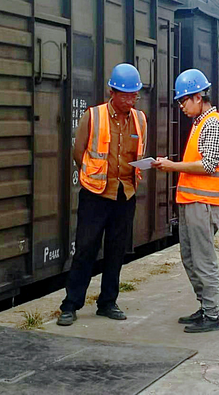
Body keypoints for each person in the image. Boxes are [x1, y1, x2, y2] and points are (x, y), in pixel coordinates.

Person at [57, 63, 147, 327]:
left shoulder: (140, 119)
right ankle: (71, 304)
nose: (130, 100)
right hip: (95, 194)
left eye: (134, 95)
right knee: (85, 249)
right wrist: (94, 175)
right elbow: (79, 153)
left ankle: (107, 302)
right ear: (112, 92)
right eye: (125, 95)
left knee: (117, 251)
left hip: (125, 194)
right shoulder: (93, 116)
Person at [152, 69, 219, 333]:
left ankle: (212, 314)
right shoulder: (200, 123)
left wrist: (172, 166)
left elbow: (208, 165)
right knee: (189, 257)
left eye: (184, 100)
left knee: (203, 259)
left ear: (199, 97)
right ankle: (204, 306)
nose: (181, 107)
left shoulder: (212, 124)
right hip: (192, 201)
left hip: (204, 203)